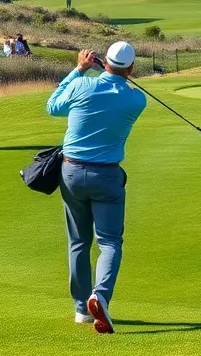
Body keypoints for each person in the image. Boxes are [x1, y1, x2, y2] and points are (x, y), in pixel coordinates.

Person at [46, 42, 147, 333]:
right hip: (107, 176)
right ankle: (99, 295)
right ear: (131, 68)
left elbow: (53, 107)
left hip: (71, 172)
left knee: (79, 241)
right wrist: (117, 75)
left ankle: (81, 309)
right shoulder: (136, 100)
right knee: (110, 242)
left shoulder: (81, 86)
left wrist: (79, 70)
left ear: (104, 62)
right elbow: (122, 87)